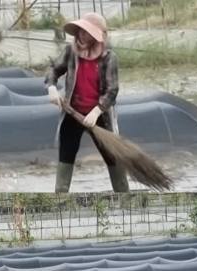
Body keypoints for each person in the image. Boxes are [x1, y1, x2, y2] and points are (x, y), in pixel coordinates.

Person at [45, 12, 129, 193]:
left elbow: (112, 90)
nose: (82, 35)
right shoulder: (70, 52)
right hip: (72, 112)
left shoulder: (109, 58)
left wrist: (97, 111)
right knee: (65, 156)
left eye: (87, 32)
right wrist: (51, 87)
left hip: (99, 116)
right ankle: (60, 196)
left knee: (113, 157)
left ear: (97, 36)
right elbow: (54, 69)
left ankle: (124, 196)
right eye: (81, 31)